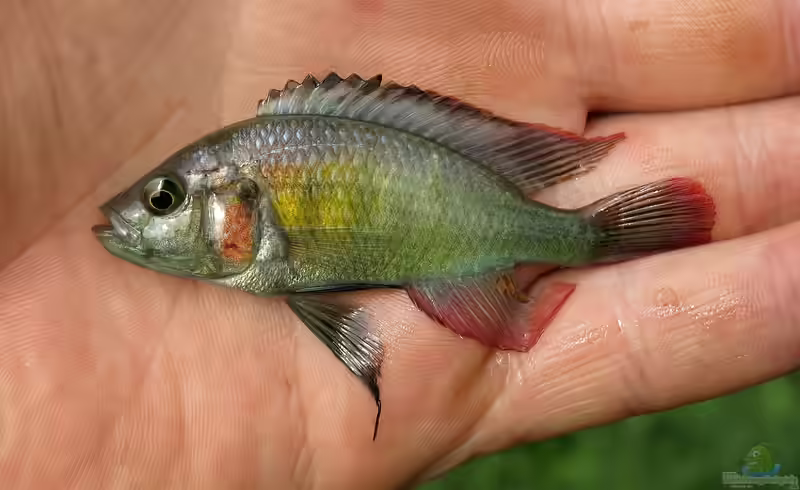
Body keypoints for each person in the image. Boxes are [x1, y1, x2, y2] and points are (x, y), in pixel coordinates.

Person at [1, 0, 798, 488]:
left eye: (164, 200)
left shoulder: (263, 190)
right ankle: (591, 238)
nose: (141, 217)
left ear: (234, 202)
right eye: (161, 200)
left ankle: (595, 237)